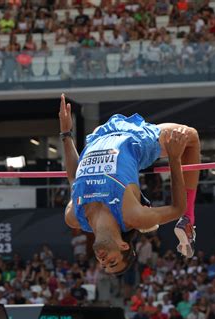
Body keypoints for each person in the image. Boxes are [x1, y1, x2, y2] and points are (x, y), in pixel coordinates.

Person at [59, 94, 200, 275]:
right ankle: (189, 222)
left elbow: (74, 178)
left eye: (104, 265)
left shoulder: (74, 217)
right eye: (113, 262)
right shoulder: (133, 217)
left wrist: (66, 134)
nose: (103, 261)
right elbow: (177, 208)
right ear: (123, 245)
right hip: (136, 140)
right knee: (192, 138)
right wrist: (174, 158)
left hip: (99, 136)